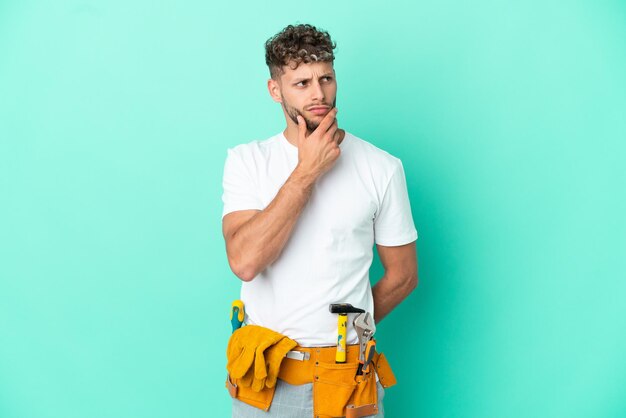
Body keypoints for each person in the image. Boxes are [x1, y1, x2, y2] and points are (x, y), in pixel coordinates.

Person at [221, 23, 418, 418]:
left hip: (346, 378)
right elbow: (244, 262)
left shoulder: (381, 167)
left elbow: (403, 275)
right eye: (302, 83)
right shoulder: (247, 161)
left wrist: (349, 330)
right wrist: (307, 171)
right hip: (265, 378)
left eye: (326, 78)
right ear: (275, 90)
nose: (318, 93)